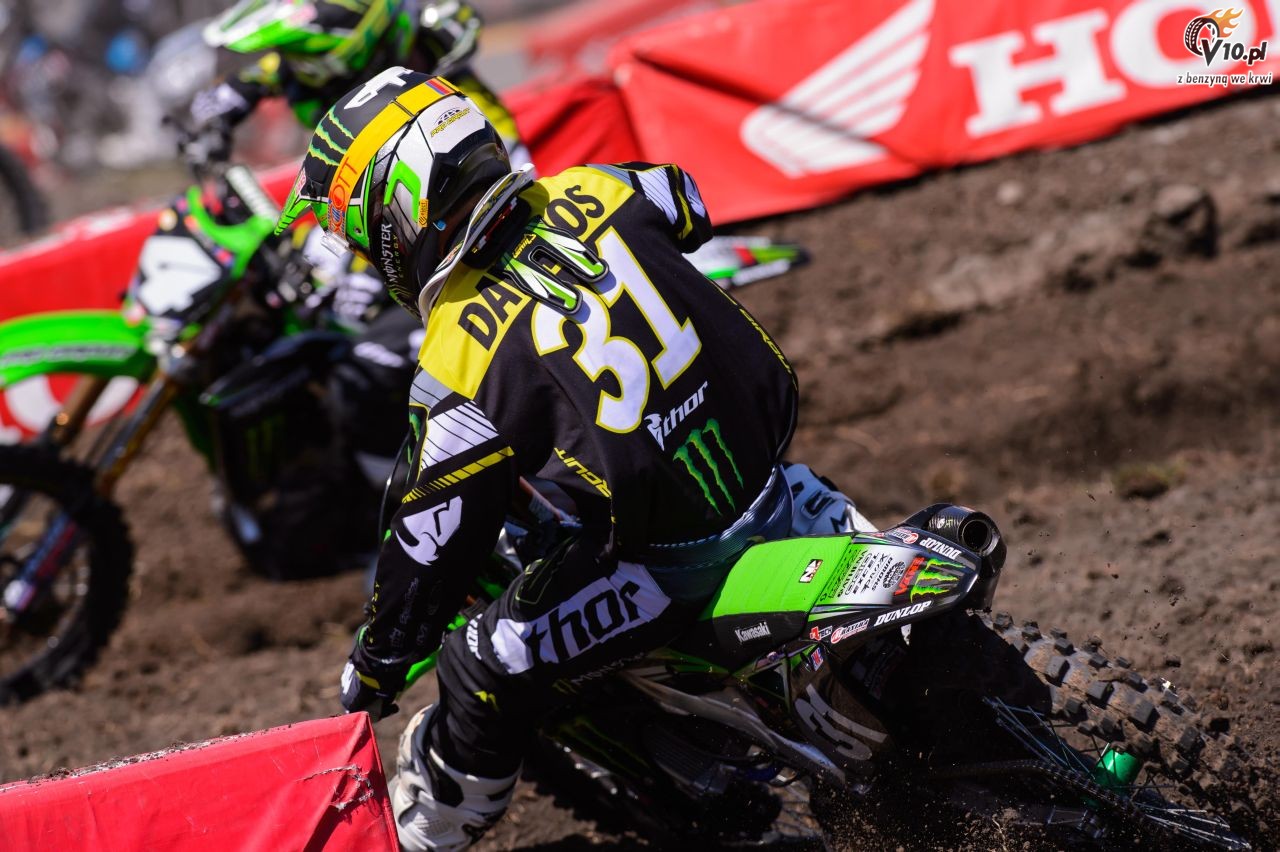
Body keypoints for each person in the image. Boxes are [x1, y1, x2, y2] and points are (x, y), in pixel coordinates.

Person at [275, 69, 870, 850]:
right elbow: (683, 198)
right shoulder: (597, 189)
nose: (360, 251)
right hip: (774, 479)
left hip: (673, 565)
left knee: (482, 660)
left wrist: (380, 662)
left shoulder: (458, 351)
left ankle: (431, 834)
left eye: (359, 231)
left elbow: (432, 536)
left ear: (401, 212)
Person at [190, 1, 532, 576]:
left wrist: (360, 277)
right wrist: (234, 93)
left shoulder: (459, 95)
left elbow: (493, 204)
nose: (297, 82)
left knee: (365, 368)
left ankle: (418, 525)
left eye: (311, 69)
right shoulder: (356, 48)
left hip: (480, 268)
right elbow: (286, 64)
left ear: (357, 56)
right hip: (404, 248)